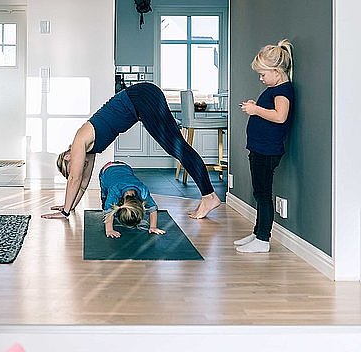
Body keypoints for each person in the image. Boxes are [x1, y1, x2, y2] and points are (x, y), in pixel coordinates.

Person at [41, 82, 221, 220]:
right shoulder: (89, 151)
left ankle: (209, 196)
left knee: (177, 147)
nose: (75, 169)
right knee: (178, 147)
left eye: (70, 166)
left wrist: (64, 213)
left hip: (141, 97)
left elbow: (75, 178)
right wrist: (68, 207)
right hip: (142, 101)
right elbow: (81, 184)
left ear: (67, 155)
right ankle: (208, 195)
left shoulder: (79, 139)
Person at [235, 39, 294, 253]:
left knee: (263, 194)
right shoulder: (276, 89)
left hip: (267, 151)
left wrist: (255, 110)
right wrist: (256, 106)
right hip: (260, 149)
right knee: (259, 193)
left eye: (263, 74)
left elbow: (280, 116)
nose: (261, 78)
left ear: (277, 72)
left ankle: (263, 239)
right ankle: (257, 232)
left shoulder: (282, 91)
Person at [99, 161, 165, 238]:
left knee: (111, 201)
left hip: (125, 167)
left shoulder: (143, 191)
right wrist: (109, 230)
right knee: (105, 198)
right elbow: (109, 211)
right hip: (106, 170)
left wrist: (153, 227)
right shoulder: (114, 191)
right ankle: (108, 206)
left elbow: (153, 208)